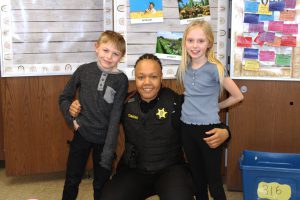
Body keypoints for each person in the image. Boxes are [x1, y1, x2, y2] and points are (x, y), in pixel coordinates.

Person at [98, 53, 231, 200]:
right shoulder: (125, 102)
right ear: (135, 78)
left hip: (171, 171)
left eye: (153, 77)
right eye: (141, 77)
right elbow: (98, 116)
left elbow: (205, 119)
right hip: (134, 170)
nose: (147, 82)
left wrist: (225, 132)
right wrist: (77, 106)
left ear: (161, 77)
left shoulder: (177, 102)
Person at [176, 20, 244, 200]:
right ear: (185, 43)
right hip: (187, 129)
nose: (195, 45)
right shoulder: (184, 68)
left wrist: (217, 106)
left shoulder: (216, 69)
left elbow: (238, 96)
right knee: (197, 178)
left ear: (209, 44)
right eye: (190, 40)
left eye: (200, 41)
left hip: (209, 130)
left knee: (213, 180)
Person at [58, 30, 128, 200]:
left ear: (121, 57)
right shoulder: (83, 71)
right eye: (105, 50)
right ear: (96, 48)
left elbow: (115, 118)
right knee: (72, 180)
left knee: (101, 185)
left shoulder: (121, 80)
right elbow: (64, 97)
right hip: (81, 133)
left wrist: (108, 151)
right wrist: (71, 118)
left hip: (104, 141)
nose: (109, 57)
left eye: (115, 53)